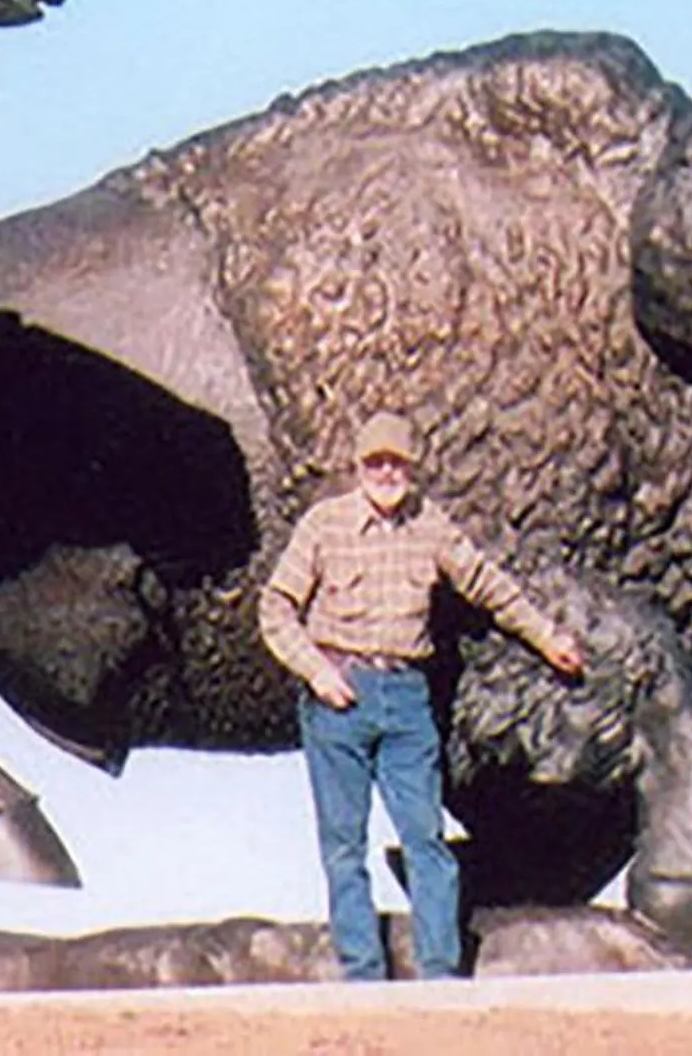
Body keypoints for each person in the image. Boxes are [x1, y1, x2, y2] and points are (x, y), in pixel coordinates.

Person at [258, 410, 587, 981]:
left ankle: (440, 976)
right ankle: (363, 974)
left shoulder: (431, 527)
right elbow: (275, 608)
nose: (386, 472)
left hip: (407, 697)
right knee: (344, 845)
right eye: (375, 462)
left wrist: (548, 638)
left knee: (426, 839)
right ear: (358, 467)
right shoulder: (324, 525)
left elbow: (489, 586)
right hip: (339, 693)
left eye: (396, 462)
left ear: (412, 468)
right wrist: (316, 672)